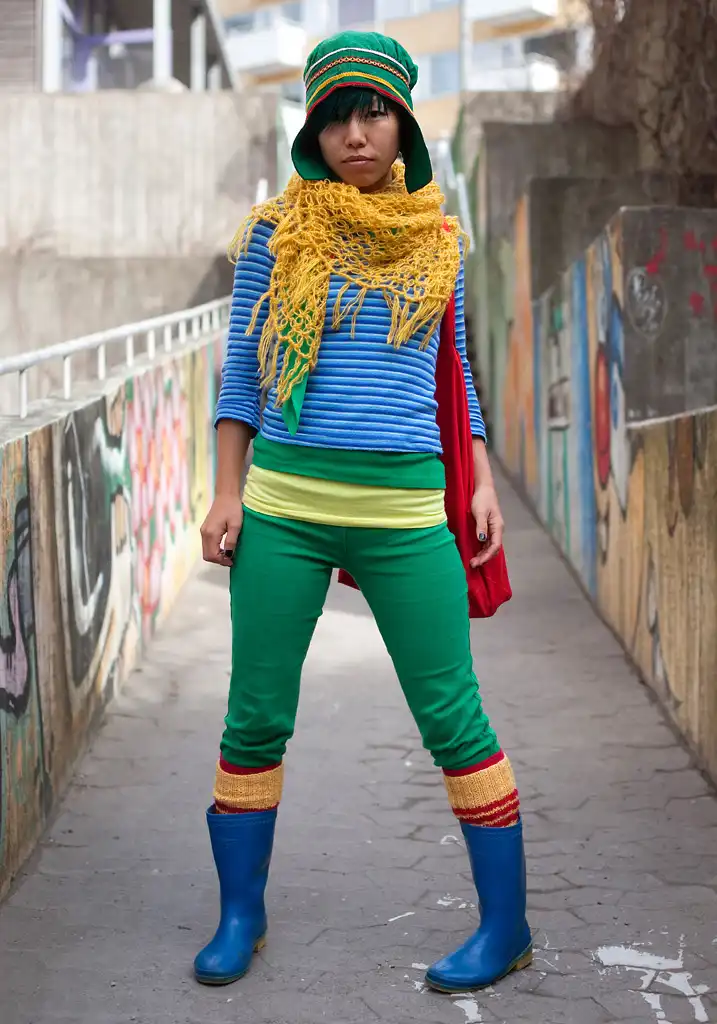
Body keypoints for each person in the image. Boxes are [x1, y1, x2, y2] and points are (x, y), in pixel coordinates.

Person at [195, 30, 531, 995]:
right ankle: (241, 915)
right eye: (336, 116)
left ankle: (505, 926)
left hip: (407, 515)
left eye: (373, 113)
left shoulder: (437, 239)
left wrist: (478, 480)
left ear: (403, 126)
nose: (355, 134)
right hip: (284, 511)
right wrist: (226, 491)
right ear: (311, 130)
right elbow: (243, 370)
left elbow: (452, 367)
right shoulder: (274, 234)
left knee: (454, 719)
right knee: (255, 719)